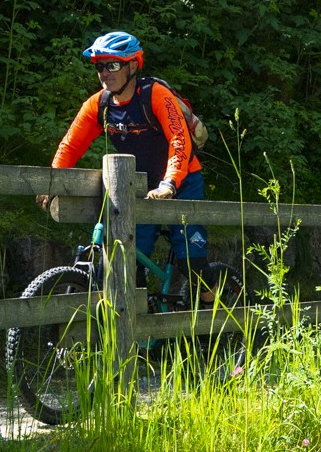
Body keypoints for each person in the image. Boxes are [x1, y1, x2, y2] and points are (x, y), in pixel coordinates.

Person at [39, 31, 208, 297]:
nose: (105, 73)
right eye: (100, 66)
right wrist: (53, 183)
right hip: (136, 187)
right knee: (126, 257)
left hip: (182, 182)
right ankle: (137, 329)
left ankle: (212, 323)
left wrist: (169, 184)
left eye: (113, 65)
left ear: (132, 65)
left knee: (192, 261)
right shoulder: (101, 104)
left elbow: (179, 141)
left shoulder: (155, 95)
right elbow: (70, 146)